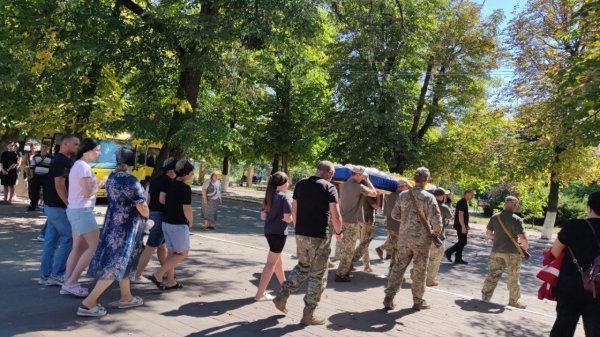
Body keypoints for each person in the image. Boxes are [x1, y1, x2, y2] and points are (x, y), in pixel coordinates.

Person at [78, 147, 149, 317]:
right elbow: (142, 205)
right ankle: (88, 304)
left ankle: (126, 296)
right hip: (126, 227)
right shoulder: (131, 180)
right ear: (133, 162)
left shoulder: (112, 177)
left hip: (112, 224)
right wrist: (147, 215)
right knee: (115, 264)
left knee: (122, 261)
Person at [272, 160, 343, 325]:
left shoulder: (301, 184)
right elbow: (336, 215)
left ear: (317, 170)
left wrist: (298, 229)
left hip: (301, 233)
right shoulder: (329, 187)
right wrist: (339, 232)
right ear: (329, 174)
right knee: (318, 275)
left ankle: (282, 296)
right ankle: (308, 314)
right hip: (319, 236)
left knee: (303, 267)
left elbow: (294, 208)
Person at [383, 167, 442, 311]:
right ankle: (418, 301)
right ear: (426, 180)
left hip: (403, 238)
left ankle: (389, 297)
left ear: (414, 180)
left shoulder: (403, 195)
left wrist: (407, 222)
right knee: (419, 271)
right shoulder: (429, 198)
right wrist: (434, 232)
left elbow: (394, 215)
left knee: (398, 267)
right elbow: (437, 223)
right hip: (421, 242)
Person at [549, 191, 600, 337]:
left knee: (563, 330)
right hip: (598, 291)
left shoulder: (574, 226)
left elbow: (555, 252)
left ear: (589, 208)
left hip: (570, 289)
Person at [61, 139, 101, 297]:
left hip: (76, 210)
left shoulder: (78, 165)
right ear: (88, 150)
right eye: (97, 150)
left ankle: (68, 282)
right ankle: (72, 282)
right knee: (94, 246)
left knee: (77, 247)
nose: (99, 153)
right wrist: (100, 184)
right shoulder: (83, 167)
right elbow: (87, 193)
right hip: (82, 211)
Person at [39, 135, 80, 286]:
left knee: (51, 241)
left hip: (52, 206)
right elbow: (59, 185)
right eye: (75, 144)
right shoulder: (62, 161)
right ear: (65, 144)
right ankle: (56, 274)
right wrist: (70, 204)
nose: (77, 147)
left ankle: (45, 275)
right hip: (57, 207)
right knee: (68, 238)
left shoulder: (60, 159)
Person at [147, 159, 195, 290]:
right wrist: (190, 220)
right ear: (186, 174)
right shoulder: (185, 188)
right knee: (183, 253)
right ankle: (158, 274)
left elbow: (162, 199)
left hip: (166, 222)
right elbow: (187, 209)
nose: (192, 176)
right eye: (192, 173)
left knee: (172, 253)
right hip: (178, 224)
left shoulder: (170, 184)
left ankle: (171, 282)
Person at [133, 158, 176, 283]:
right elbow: (163, 200)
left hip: (152, 214)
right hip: (161, 215)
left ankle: (167, 271)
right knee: (150, 247)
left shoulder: (155, 180)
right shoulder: (169, 182)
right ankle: (137, 275)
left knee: (161, 246)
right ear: (171, 171)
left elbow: (148, 198)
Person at [481, 196, 528, 309]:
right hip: (512, 253)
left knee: (492, 275)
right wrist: (524, 247)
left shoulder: (495, 217)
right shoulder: (516, 219)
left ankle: (485, 298)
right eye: (516, 205)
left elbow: (488, 233)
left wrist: (498, 238)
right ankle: (513, 301)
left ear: (505, 204)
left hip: (496, 251)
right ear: (514, 205)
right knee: (513, 278)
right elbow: (523, 238)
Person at [335, 165, 377, 282]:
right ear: (357, 175)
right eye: (362, 175)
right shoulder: (358, 186)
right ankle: (341, 274)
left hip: (343, 219)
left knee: (347, 248)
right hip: (351, 221)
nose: (363, 177)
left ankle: (344, 270)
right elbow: (374, 193)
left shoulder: (344, 184)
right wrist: (368, 181)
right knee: (349, 250)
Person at [255, 171, 292, 301]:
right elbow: (288, 218)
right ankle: (260, 294)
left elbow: (263, 215)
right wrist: (293, 217)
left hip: (269, 231)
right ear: (284, 183)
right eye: (288, 181)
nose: (289, 183)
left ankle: (285, 287)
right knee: (271, 263)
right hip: (279, 234)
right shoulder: (285, 197)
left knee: (277, 261)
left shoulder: (269, 195)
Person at [417, 188, 453, 287]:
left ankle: (416, 274)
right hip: (437, 237)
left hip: (424, 235)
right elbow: (450, 218)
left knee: (423, 257)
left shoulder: (426, 204)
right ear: (441, 196)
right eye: (444, 195)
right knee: (435, 259)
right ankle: (430, 280)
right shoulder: (444, 207)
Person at [376, 178, 411, 269]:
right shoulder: (404, 196)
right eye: (407, 186)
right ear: (403, 186)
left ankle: (385, 254)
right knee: (396, 244)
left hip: (390, 221)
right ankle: (382, 250)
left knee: (393, 240)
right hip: (398, 223)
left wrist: (385, 217)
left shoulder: (389, 194)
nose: (408, 188)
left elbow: (386, 207)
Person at [445, 188, 475, 264]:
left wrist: (466, 225)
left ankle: (458, 258)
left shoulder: (464, 202)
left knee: (462, 242)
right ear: (467, 194)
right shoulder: (462, 202)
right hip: (460, 226)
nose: (472, 196)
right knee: (463, 242)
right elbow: (460, 215)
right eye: (472, 195)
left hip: (462, 225)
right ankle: (449, 251)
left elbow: (464, 216)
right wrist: (463, 227)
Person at [352, 193, 379, 272]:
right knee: (364, 244)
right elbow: (377, 206)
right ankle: (362, 265)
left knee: (361, 244)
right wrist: (378, 196)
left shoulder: (358, 194)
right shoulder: (368, 196)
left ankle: (364, 265)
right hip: (367, 221)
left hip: (358, 220)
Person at [27, 143, 53, 212]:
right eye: (43, 147)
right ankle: (33, 206)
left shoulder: (51, 157)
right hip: (36, 176)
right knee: (34, 192)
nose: (44, 148)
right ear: (40, 148)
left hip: (46, 177)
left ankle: (45, 207)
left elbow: (52, 168)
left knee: (46, 192)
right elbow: (32, 167)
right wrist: (32, 175)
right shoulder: (35, 156)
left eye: (45, 147)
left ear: (47, 148)